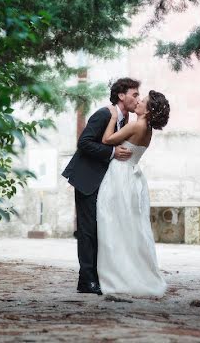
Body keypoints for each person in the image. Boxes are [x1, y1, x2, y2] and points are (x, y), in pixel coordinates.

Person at [61, 78, 139, 295]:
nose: (137, 99)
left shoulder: (125, 119)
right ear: (121, 95)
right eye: (135, 94)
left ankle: (96, 278)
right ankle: (86, 281)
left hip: (104, 182)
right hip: (87, 179)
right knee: (88, 231)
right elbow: (84, 142)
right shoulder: (105, 114)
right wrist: (113, 153)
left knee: (100, 229)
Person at [96, 90, 170, 297]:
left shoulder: (136, 125)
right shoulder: (147, 129)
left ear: (148, 110)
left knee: (112, 224)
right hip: (133, 178)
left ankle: (119, 276)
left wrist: (112, 117)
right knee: (132, 228)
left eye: (142, 101)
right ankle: (136, 273)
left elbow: (107, 139)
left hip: (120, 176)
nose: (138, 102)